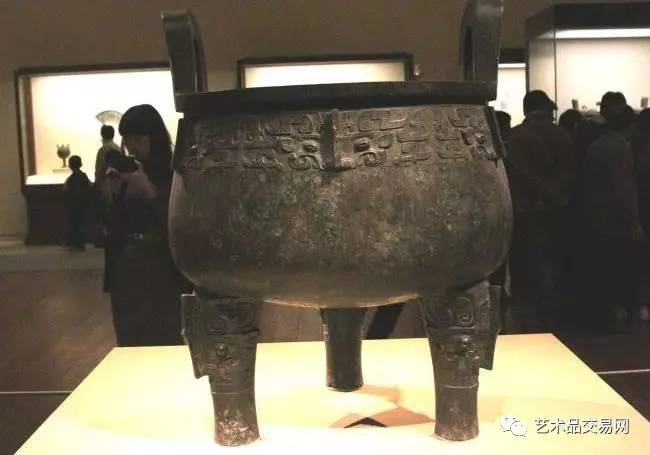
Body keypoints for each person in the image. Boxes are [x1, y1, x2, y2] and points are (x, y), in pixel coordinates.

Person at [103, 104, 189, 346]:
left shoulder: (175, 171)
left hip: (161, 266)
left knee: (164, 334)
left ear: (154, 137)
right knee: (129, 337)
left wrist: (148, 190)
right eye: (127, 139)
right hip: (126, 267)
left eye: (138, 139)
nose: (132, 146)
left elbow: (178, 222)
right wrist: (112, 194)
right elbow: (109, 227)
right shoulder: (125, 171)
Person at [506, 90, 576, 332]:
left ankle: (526, 320)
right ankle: (553, 320)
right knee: (551, 266)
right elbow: (570, 172)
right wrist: (552, 195)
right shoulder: (562, 135)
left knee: (523, 268)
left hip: (523, 209)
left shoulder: (516, 136)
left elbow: (517, 172)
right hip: (555, 210)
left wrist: (537, 194)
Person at [581, 93, 643, 331]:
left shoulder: (597, 145)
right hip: (617, 220)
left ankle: (610, 314)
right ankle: (620, 315)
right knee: (622, 270)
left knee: (607, 269)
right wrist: (633, 221)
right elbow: (624, 188)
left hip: (599, 215)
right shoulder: (620, 148)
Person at [63, 155, 92, 251]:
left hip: (74, 204)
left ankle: (75, 242)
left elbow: (66, 189)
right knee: (80, 224)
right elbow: (89, 187)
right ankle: (79, 243)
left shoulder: (71, 178)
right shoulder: (83, 176)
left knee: (75, 224)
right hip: (82, 204)